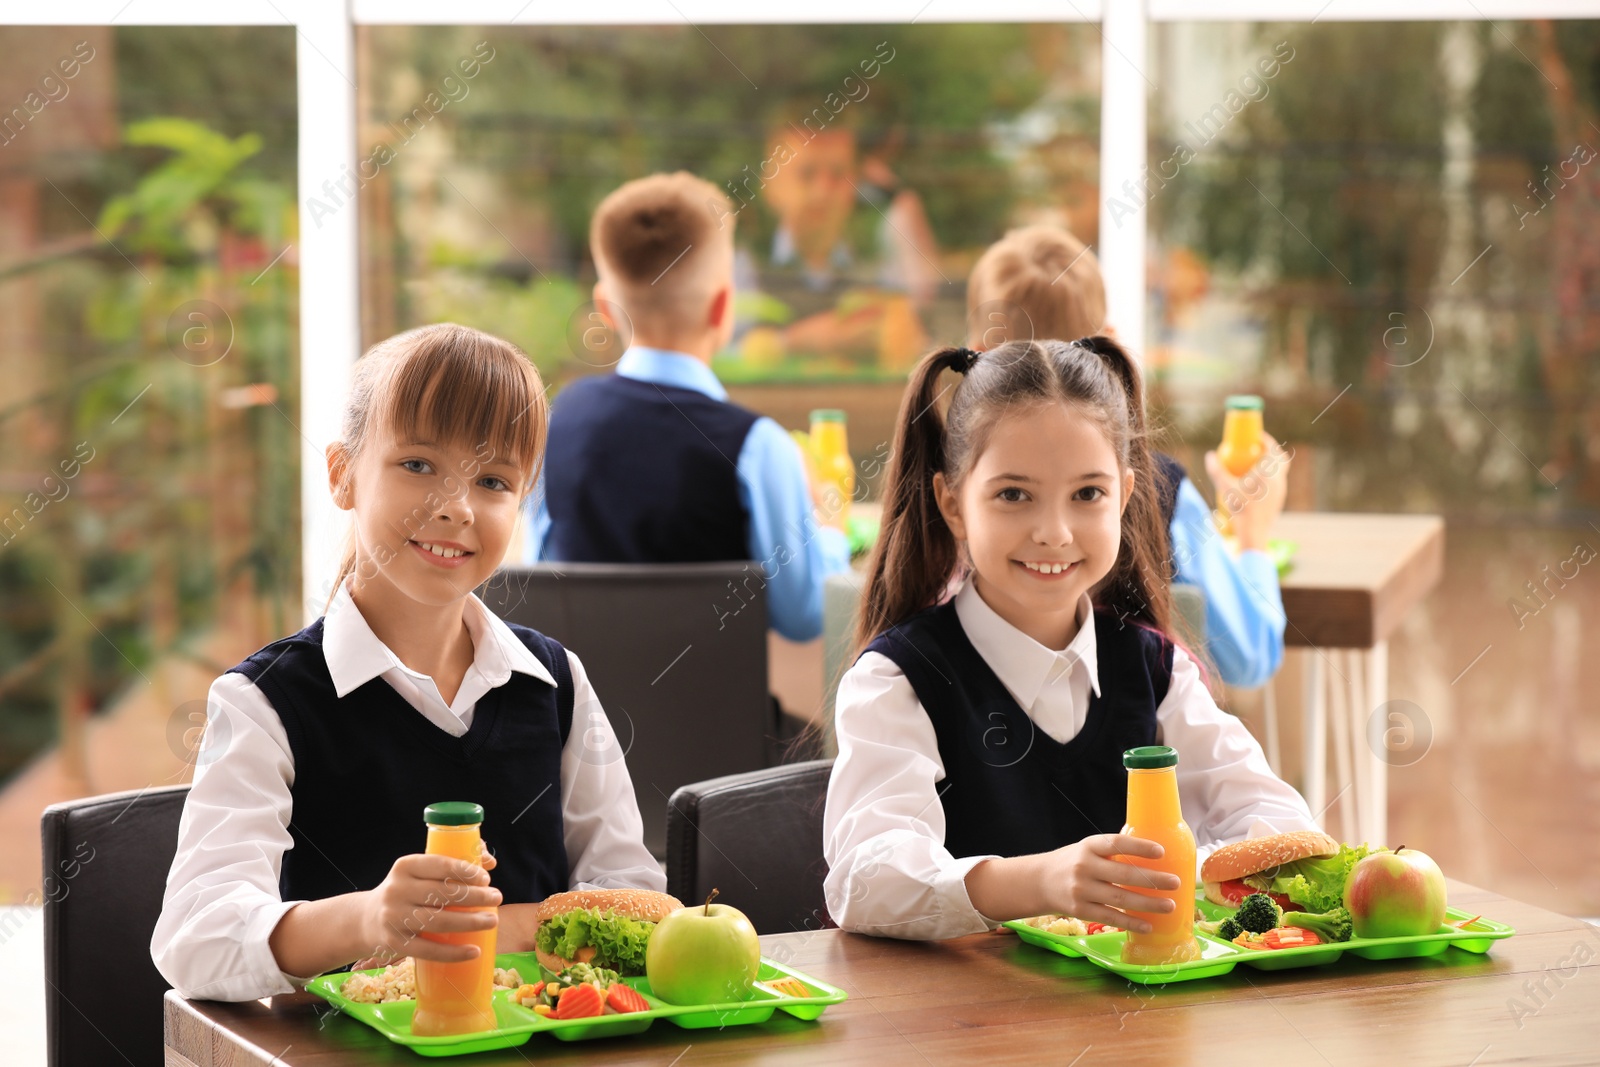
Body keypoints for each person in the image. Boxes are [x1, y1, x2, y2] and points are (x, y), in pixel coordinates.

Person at [152, 323, 664, 1001]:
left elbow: (632, 896)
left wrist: (501, 924)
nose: (455, 508)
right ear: (342, 475)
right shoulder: (268, 701)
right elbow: (195, 937)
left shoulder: (557, 681)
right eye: (418, 464)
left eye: (492, 480)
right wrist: (370, 918)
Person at [822, 338, 1319, 939]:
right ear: (953, 504)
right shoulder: (899, 679)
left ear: (1125, 497)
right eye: (1013, 495)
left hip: (1141, 1022)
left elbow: (1274, 819)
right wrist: (1042, 882)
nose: (1054, 533)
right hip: (964, 1025)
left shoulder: (1156, 670)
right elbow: (864, 878)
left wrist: (1201, 868)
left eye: (1088, 494)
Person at [526, 171, 851, 644]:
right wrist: (829, 523)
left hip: (576, 717)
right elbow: (803, 618)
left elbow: (540, 575)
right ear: (723, 308)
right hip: (721, 719)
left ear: (605, 307)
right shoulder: (759, 447)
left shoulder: (554, 423)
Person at [966, 224, 1289, 688]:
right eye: (1015, 495)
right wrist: (1254, 534)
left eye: (1087, 495)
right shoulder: (1162, 491)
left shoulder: (941, 482)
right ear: (1108, 346)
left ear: (978, 355)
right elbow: (1250, 657)